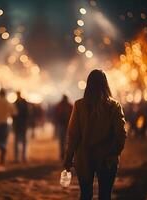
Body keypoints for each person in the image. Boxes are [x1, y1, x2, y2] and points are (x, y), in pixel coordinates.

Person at [64, 69, 127, 200]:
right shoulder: (114, 106)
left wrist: (68, 157)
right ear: (105, 84)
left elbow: (73, 134)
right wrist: (114, 153)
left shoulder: (79, 105)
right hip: (107, 158)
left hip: (84, 157)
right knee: (105, 195)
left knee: (86, 194)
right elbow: (121, 134)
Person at [0, 89, 17, 164]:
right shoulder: (8, 102)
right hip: (5, 123)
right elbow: (14, 112)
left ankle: (2, 147)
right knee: (4, 139)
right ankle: (3, 147)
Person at [54, 95, 73, 160]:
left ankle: (62, 154)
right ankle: (64, 154)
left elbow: (56, 115)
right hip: (67, 124)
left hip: (62, 124)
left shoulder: (59, 105)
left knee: (62, 140)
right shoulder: (70, 105)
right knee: (66, 140)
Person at [13, 91, 29, 163]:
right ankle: (21, 157)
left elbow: (13, 115)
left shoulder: (16, 103)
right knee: (21, 141)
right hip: (21, 125)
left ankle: (20, 157)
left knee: (19, 141)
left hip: (20, 125)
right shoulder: (22, 102)